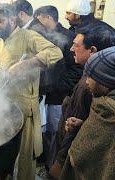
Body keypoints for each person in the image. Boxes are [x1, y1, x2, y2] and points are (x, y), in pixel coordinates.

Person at [0, 6, 63, 180]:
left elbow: (55, 52)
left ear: (13, 20)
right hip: (4, 105)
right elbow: (7, 72)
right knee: (5, 153)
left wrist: (28, 64)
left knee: (24, 157)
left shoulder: (28, 36)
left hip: (24, 108)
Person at [50, 26, 115, 179]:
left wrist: (59, 163)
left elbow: (86, 146)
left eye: (76, 45)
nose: (71, 49)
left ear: (92, 50)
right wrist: (82, 124)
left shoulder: (91, 89)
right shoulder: (92, 78)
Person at [34, 5, 84, 169]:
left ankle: (52, 166)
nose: (37, 23)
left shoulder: (69, 37)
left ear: (48, 17)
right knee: (44, 130)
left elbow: (77, 69)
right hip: (44, 93)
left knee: (57, 131)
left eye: (39, 18)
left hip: (59, 96)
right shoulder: (42, 36)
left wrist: (57, 86)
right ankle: (44, 160)